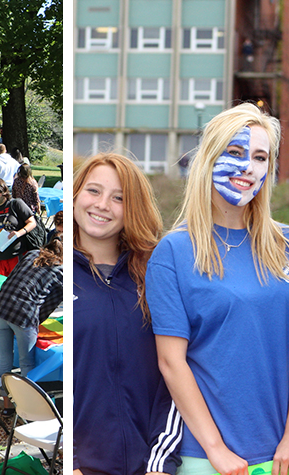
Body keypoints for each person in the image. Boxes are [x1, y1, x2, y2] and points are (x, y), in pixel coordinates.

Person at [147, 103, 289, 474]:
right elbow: (171, 362)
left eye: (260, 157)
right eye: (236, 153)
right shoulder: (173, 252)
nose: (248, 168)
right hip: (209, 456)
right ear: (208, 158)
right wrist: (216, 449)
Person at [74, 153, 183, 474]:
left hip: (150, 466)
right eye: (93, 191)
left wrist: (160, 463)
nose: (103, 204)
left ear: (132, 207)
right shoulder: (55, 271)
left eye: (118, 197)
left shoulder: (156, 275)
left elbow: (176, 372)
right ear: (76, 193)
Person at [0, 233, 62, 414]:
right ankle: (28, 408)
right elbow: (50, 304)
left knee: (4, 360)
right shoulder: (61, 271)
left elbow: (13, 279)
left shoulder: (31, 254)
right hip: (23, 316)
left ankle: (7, 406)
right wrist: (37, 323)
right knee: (27, 364)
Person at [0, 178, 36, 276]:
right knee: (2, 285)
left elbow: (32, 222)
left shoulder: (15, 204)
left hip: (17, 253)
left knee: (17, 284)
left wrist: (19, 233)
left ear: (4, 192)